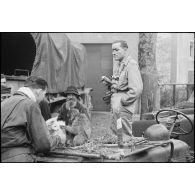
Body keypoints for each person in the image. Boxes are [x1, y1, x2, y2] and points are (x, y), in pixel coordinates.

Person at [1, 76, 64, 162]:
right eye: (44, 94)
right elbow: (43, 145)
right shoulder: (31, 105)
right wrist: (59, 138)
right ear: (39, 92)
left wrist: (44, 126)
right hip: (19, 158)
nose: (43, 98)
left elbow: (13, 129)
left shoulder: (5, 102)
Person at [109, 40, 143, 138]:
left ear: (125, 49)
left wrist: (123, 101)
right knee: (116, 136)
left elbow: (137, 89)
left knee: (124, 137)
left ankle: (126, 153)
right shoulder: (120, 65)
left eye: (116, 50)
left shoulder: (131, 64)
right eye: (112, 50)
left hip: (123, 108)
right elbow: (120, 85)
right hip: (117, 108)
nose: (113, 53)